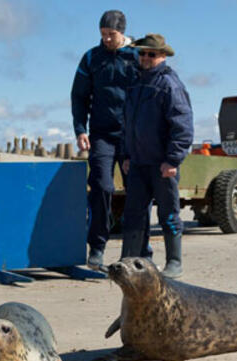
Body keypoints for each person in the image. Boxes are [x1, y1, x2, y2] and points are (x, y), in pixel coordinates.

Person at [71, 9, 151, 270]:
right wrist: (80, 129)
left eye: (111, 35)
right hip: (102, 135)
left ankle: (141, 251)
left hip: (133, 137)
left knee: (138, 194)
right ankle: (96, 247)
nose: (106, 39)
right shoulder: (92, 58)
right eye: (103, 34)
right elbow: (79, 96)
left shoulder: (139, 56)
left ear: (122, 33)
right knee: (102, 187)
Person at [121, 34, 194, 278]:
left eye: (151, 54)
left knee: (168, 213)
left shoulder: (170, 85)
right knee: (133, 214)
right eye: (142, 53)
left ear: (162, 56)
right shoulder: (134, 84)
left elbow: (182, 126)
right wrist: (126, 155)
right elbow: (127, 124)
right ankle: (130, 261)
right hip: (138, 163)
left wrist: (173, 160)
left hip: (162, 165)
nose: (145, 58)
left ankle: (174, 261)